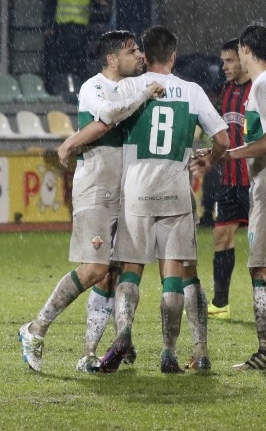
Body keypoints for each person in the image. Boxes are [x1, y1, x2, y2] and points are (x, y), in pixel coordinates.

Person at [18, 30, 163, 372]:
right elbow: (108, 115)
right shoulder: (93, 86)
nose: (139, 55)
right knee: (94, 267)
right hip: (95, 186)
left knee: (109, 274)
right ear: (112, 59)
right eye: (132, 51)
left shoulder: (132, 87)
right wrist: (143, 93)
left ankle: (88, 353)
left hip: (124, 188)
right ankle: (35, 329)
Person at [97, 26, 230, 374]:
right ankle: (169, 352)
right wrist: (209, 158)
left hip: (137, 189)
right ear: (173, 55)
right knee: (175, 274)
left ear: (144, 54)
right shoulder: (193, 91)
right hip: (175, 190)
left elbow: (106, 118)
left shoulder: (128, 86)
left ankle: (124, 333)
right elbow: (224, 139)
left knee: (130, 270)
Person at [193, 22, 266, 373]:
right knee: (259, 266)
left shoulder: (263, 85)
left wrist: (228, 155)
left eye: (238, 53)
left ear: (246, 50)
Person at [206, 38, 253, 320]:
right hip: (229, 181)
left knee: (261, 248)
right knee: (221, 237)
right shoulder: (226, 90)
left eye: (229, 61)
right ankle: (220, 304)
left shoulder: (259, 90)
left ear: (244, 60)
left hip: (255, 182)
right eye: (222, 61)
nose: (223, 67)